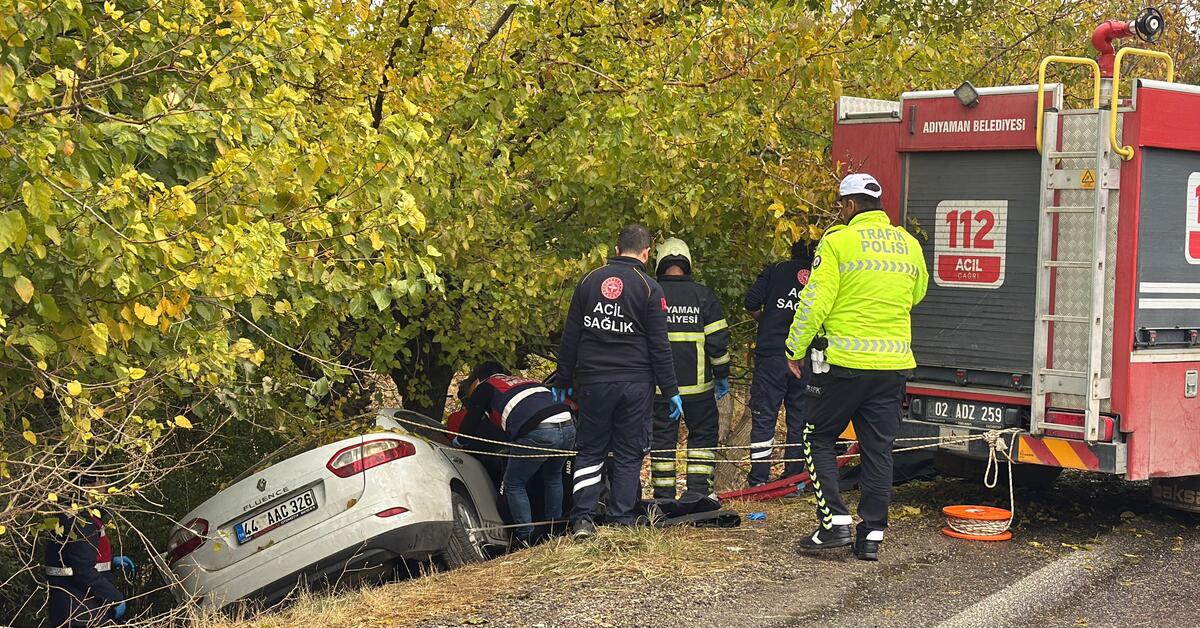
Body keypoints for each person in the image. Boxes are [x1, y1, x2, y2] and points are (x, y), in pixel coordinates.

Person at [786, 173, 928, 561]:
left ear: (849, 206)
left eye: (841, 206)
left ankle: (834, 522)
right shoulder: (908, 244)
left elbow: (814, 302)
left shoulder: (838, 242)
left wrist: (794, 349)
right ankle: (872, 535)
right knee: (878, 449)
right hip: (893, 365)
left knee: (817, 436)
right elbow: (917, 293)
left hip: (843, 365)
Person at [555, 223, 682, 539]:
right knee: (628, 452)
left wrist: (563, 377)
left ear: (616, 250)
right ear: (647, 254)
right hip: (635, 385)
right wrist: (671, 390)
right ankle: (621, 519)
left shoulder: (589, 281)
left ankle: (582, 520)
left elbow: (571, 335)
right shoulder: (650, 288)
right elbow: (660, 346)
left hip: (593, 382)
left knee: (590, 450)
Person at [458, 363, 576, 545]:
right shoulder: (525, 381)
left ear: (477, 380)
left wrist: (459, 441)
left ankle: (526, 535)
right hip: (567, 426)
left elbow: (471, 422)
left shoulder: (486, 386)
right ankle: (555, 528)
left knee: (514, 483)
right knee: (553, 476)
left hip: (539, 430)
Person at [648, 237, 730, 500]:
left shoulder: (650, 293)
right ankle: (698, 493)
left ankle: (663, 498)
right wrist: (722, 376)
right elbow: (717, 343)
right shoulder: (703, 295)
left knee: (662, 443)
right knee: (702, 439)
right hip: (699, 391)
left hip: (661, 390)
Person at [744, 239, 817, 487]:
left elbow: (751, 302)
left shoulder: (776, 270)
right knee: (799, 419)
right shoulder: (821, 274)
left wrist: (768, 321)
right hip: (805, 358)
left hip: (772, 356)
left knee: (764, 418)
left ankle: (759, 480)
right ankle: (793, 480)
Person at [45, 477, 135, 627]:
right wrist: (114, 598)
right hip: (82, 610)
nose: (106, 486)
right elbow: (83, 570)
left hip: (71, 606)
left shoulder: (68, 513)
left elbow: (75, 557)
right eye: (102, 481)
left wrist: (110, 561)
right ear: (87, 487)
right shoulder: (82, 520)